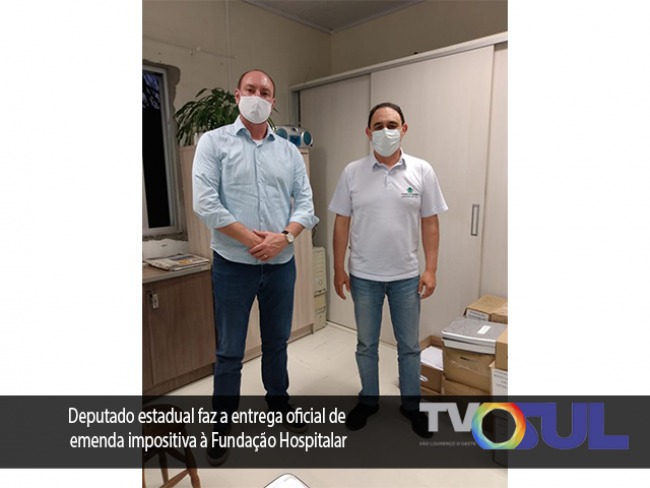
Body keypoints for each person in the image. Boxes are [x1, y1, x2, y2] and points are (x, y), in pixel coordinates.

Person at [192, 69, 319, 465]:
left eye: (265, 92)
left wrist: (284, 237)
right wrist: (252, 240)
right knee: (230, 351)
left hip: (281, 264)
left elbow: (306, 205)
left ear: (273, 102)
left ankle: (278, 403)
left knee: (277, 343)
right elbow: (206, 204)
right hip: (233, 265)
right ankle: (221, 425)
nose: (258, 97)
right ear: (237, 94)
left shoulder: (289, 152)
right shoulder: (213, 142)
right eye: (251, 89)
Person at [328, 102, 447, 438]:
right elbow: (341, 222)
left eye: (392, 125)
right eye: (378, 126)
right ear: (368, 132)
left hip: (406, 277)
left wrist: (431, 269)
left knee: (409, 346)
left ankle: (411, 405)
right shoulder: (353, 172)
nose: (385, 131)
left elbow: (430, 222)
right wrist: (338, 268)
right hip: (363, 276)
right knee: (366, 344)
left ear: (404, 129)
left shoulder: (422, 170)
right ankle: (368, 400)